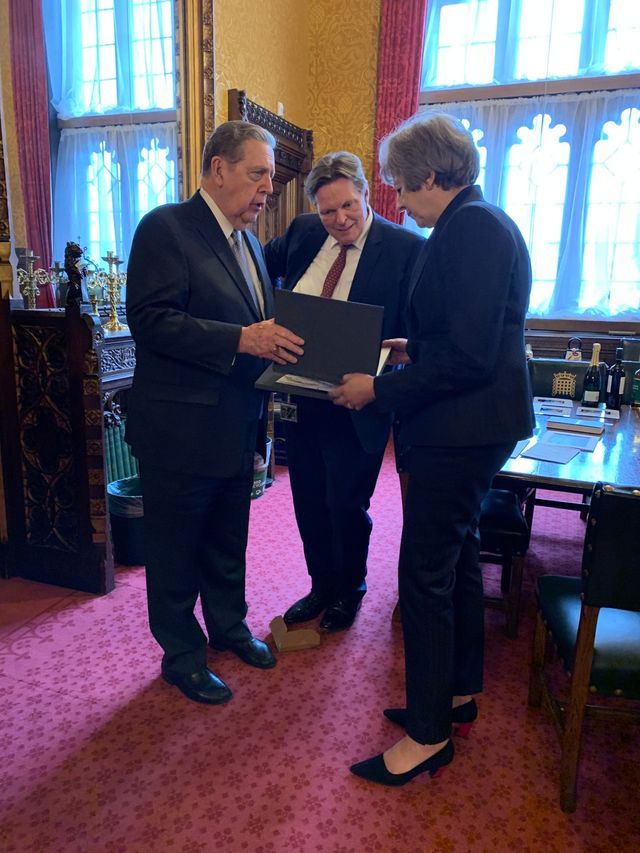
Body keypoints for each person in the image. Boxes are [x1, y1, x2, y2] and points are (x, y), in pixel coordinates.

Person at [329, 113, 534, 784]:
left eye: (397, 184)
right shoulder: (474, 222)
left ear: (429, 177)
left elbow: (472, 357)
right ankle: (455, 694)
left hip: (462, 426)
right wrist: (412, 347)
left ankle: (427, 736)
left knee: (424, 573)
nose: (396, 198)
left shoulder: (470, 228)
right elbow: (466, 336)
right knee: (459, 558)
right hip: (471, 420)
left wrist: (379, 391)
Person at [125, 121, 304, 705]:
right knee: (176, 548)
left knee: (229, 539)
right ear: (218, 168)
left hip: (235, 424)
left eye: (271, 181)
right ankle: (182, 655)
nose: (265, 191)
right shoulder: (166, 228)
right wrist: (240, 340)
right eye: (257, 175)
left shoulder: (249, 242)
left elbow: (256, 326)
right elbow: (150, 321)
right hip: (179, 429)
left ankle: (228, 628)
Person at [264, 152, 424, 632]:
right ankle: (320, 586)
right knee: (308, 498)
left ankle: (349, 590)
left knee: (346, 503)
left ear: (367, 195)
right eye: (328, 210)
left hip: (360, 400)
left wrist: (400, 359)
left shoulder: (406, 249)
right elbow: (252, 268)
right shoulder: (303, 233)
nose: (340, 220)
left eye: (349, 206)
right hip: (302, 394)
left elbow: (424, 328)